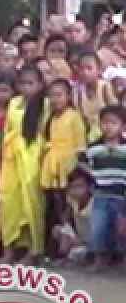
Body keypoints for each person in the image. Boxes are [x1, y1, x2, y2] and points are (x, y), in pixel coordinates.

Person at [0, 66, 49, 262]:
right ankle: (10, 247)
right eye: (23, 83)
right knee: (8, 202)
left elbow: (46, 132)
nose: (26, 88)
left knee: (31, 203)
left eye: (31, 84)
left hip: (32, 155)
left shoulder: (45, 104)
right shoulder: (13, 103)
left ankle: (34, 248)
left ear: (39, 84)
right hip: (10, 156)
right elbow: (4, 130)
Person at [40, 78, 86, 251]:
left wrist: (75, 170)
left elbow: (80, 146)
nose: (55, 99)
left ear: (68, 96)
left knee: (68, 210)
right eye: (51, 95)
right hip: (51, 168)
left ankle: (72, 248)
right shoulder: (50, 118)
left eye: (59, 95)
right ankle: (56, 250)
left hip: (68, 169)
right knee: (54, 210)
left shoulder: (74, 117)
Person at [79, 105, 126, 271]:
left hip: (121, 195)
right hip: (101, 194)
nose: (109, 126)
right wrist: (93, 173)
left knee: (120, 229)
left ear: (122, 126)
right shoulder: (95, 147)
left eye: (114, 123)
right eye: (105, 122)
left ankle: (120, 259)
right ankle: (99, 260)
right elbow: (80, 159)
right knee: (98, 227)